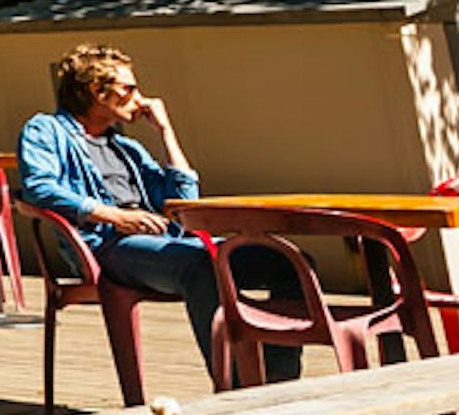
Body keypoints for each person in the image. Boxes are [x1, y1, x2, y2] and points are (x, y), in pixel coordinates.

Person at [16, 46, 304, 384]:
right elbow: (39, 187)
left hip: (167, 242)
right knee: (200, 266)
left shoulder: (126, 148)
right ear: (97, 90)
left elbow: (184, 204)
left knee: (289, 260)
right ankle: (238, 385)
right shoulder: (46, 131)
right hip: (107, 247)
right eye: (129, 88)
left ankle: (281, 379)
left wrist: (166, 131)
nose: (140, 98)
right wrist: (113, 216)